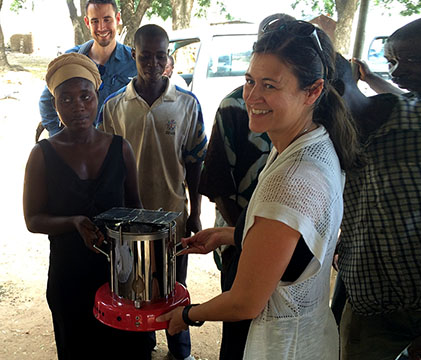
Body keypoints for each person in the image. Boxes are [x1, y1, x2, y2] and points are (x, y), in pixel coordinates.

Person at [157, 19, 362, 359]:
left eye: (270, 86)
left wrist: (186, 315)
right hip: (308, 335)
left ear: (312, 91)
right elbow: (295, 247)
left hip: (282, 346)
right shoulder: (313, 140)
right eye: (250, 80)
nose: (251, 97)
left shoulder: (293, 177)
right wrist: (230, 236)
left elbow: (245, 302)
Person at [336, 31, 421, 360]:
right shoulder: (395, 115)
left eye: (416, 60)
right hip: (372, 305)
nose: (398, 72)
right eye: (392, 62)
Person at [23, 52, 153, 360]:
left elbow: (135, 207)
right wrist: (73, 222)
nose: (78, 106)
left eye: (85, 96)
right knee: (78, 349)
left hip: (122, 276)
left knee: (129, 352)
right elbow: (33, 219)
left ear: (97, 97)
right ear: (54, 105)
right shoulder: (42, 155)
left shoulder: (121, 148)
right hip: (70, 277)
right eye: (66, 99)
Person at [99, 24, 207, 360]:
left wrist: (195, 213)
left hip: (172, 217)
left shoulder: (187, 104)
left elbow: (195, 164)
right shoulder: (115, 107)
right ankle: (142, 348)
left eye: (161, 56)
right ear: (134, 55)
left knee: (173, 288)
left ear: (168, 57)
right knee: (136, 290)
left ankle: (180, 351)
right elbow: (107, 168)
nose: (153, 63)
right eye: (145, 56)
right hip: (129, 223)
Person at [197, 13, 294, 360]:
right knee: (238, 329)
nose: (257, 93)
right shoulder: (233, 107)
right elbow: (219, 184)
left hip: (282, 241)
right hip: (239, 234)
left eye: (270, 84)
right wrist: (243, 234)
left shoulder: (311, 137)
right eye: (252, 81)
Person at [38, 0, 136, 136]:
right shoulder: (71, 60)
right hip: (79, 149)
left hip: (118, 146)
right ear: (87, 22)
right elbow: (46, 100)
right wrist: (57, 134)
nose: (101, 27)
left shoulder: (135, 62)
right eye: (95, 21)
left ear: (118, 19)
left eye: (107, 19)